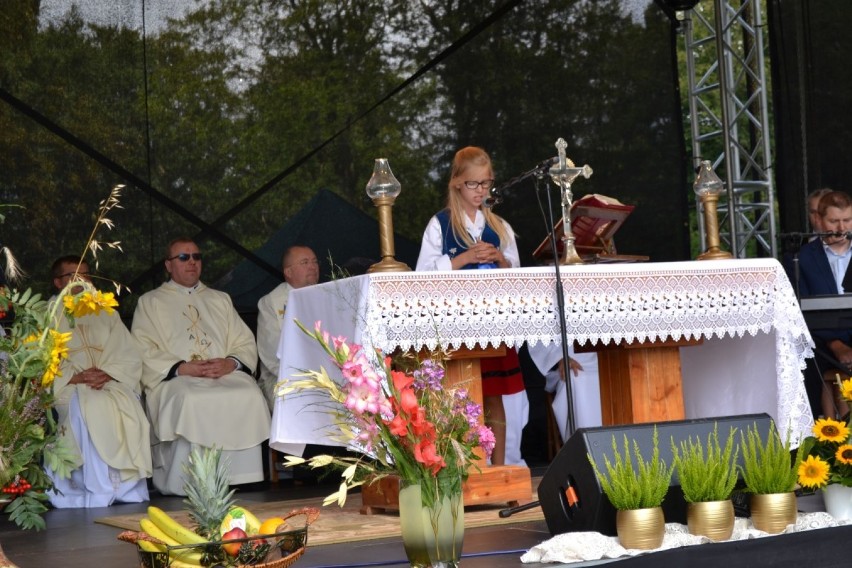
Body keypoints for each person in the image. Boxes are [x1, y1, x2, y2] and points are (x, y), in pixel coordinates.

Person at [131, 238, 271, 495]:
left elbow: (243, 340)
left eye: (197, 256)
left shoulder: (220, 299)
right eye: (184, 258)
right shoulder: (150, 302)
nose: (192, 262)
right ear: (168, 265)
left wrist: (230, 363)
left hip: (222, 373)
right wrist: (181, 368)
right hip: (176, 378)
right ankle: (188, 481)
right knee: (190, 397)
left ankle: (242, 476)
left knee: (248, 393)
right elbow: (142, 347)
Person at [416, 146, 526, 466]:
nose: (480, 191)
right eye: (473, 184)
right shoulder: (440, 225)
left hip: (493, 322)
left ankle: (500, 467)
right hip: (456, 324)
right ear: (456, 184)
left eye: (486, 184)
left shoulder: (499, 225)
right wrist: (463, 259)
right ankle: (463, 467)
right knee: (459, 394)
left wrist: (500, 259)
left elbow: (518, 273)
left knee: (494, 395)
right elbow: (421, 275)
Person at [46, 256, 152, 507]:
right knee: (89, 406)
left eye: (86, 275)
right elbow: (42, 361)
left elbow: (128, 354)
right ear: (58, 283)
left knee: (126, 406)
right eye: (73, 276)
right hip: (68, 386)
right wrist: (75, 377)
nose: (82, 282)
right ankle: (96, 487)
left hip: (108, 382)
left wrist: (108, 373)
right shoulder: (44, 315)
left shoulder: (106, 312)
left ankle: (124, 488)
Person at [793, 190, 852, 418]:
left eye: (847, 221)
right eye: (834, 221)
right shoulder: (803, 258)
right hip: (821, 340)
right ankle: (823, 432)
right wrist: (836, 344)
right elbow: (800, 312)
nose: (840, 228)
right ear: (819, 219)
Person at [256, 245, 319, 410]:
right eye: (305, 262)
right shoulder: (270, 303)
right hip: (283, 378)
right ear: (288, 272)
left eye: (314, 262)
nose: (313, 266)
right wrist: (307, 376)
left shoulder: (327, 295)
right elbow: (271, 354)